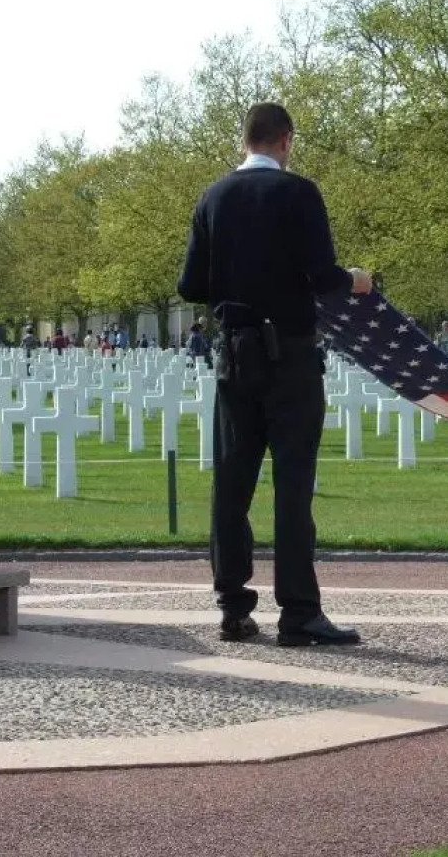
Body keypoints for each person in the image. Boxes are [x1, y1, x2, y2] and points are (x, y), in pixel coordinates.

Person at [177, 102, 373, 648]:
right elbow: (323, 275)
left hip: (234, 356)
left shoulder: (212, 197)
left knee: (232, 484)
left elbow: (191, 285)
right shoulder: (299, 193)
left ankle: (233, 606)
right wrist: (356, 280)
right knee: (292, 488)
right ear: (285, 140)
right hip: (289, 353)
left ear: (245, 140)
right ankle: (300, 612)